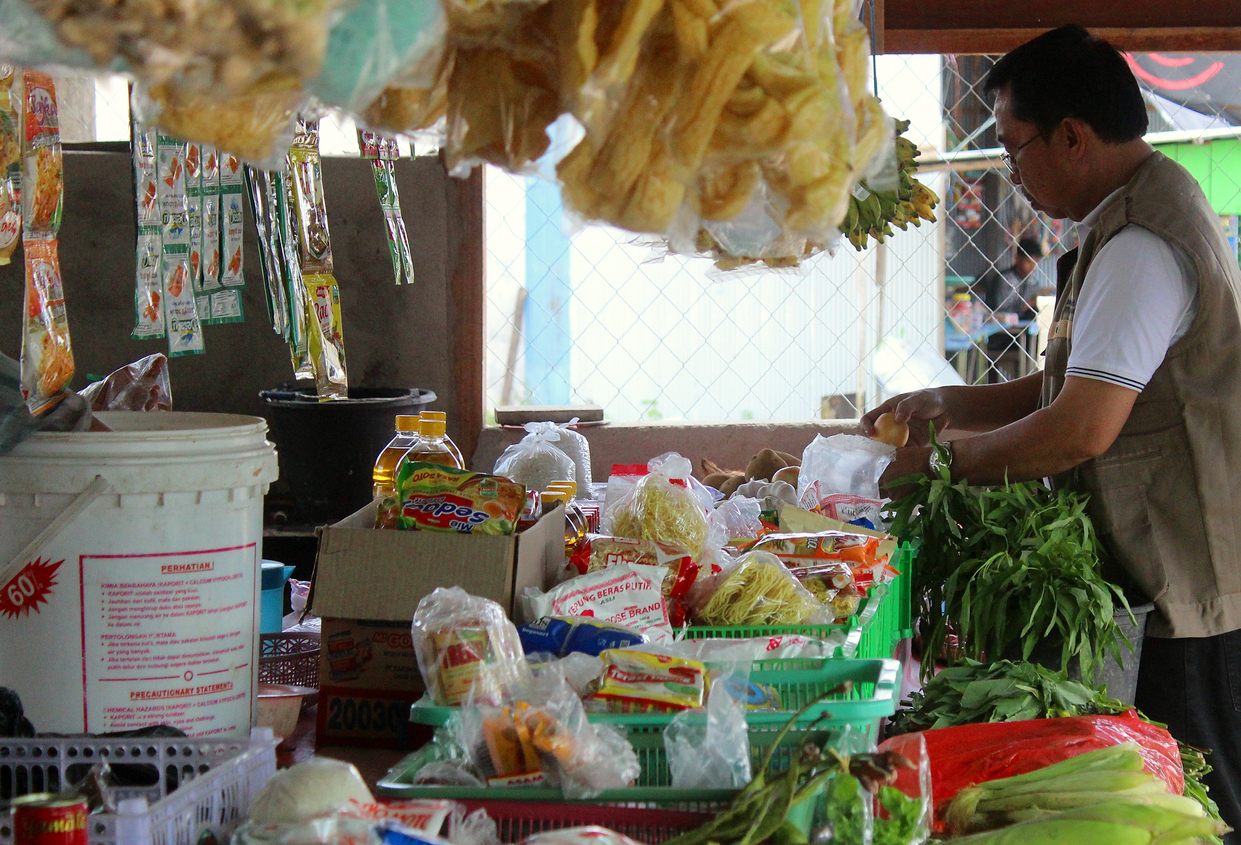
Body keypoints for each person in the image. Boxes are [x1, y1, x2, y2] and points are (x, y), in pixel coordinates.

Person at [862, 24, 1241, 839]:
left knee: (1198, 805)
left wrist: (940, 467)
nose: (1011, 171)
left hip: (1192, 584)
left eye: (1012, 147)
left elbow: (1077, 429)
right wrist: (953, 402)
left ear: (1071, 136)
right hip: (1164, 569)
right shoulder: (1124, 218)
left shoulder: (1141, 244)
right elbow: (1079, 382)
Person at [976, 235, 1046, 320]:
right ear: (1017, 258)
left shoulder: (1033, 283)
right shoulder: (1004, 280)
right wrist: (1025, 306)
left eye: (1036, 262)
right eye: (1028, 261)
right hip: (1001, 327)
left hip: (1025, 326)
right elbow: (999, 310)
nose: (1033, 266)